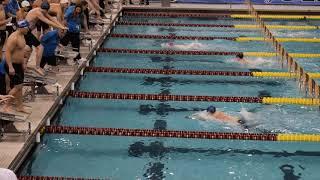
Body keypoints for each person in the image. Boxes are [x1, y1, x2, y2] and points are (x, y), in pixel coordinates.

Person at [25, 1, 67, 75]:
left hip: (27, 32)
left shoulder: (42, 10)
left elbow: (51, 18)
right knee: (40, 47)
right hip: (25, 32)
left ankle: (24, 67)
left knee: (29, 49)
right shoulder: (38, 12)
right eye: (44, 11)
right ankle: (37, 67)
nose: (44, 12)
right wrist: (60, 27)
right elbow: (48, 22)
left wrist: (61, 26)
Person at [2, 20, 29, 113]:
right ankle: (5, 106)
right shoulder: (14, 37)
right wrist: (10, 67)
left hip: (18, 65)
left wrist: (23, 63)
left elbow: (21, 51)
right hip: (12, 65)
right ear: (21, 28)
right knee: (18, 86)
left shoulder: (22, 35)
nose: (28, 29)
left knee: (20, 87)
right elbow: (7, 52)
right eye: (26, 28)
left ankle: (20, 106)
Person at [186, 105, 258, 129]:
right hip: (238, 118)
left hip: (234, 123)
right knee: (252, 125)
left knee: (252, 128)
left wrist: (190, 117)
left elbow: (201, 118)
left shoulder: (211, 117)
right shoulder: (218, 111)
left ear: (209, 112)